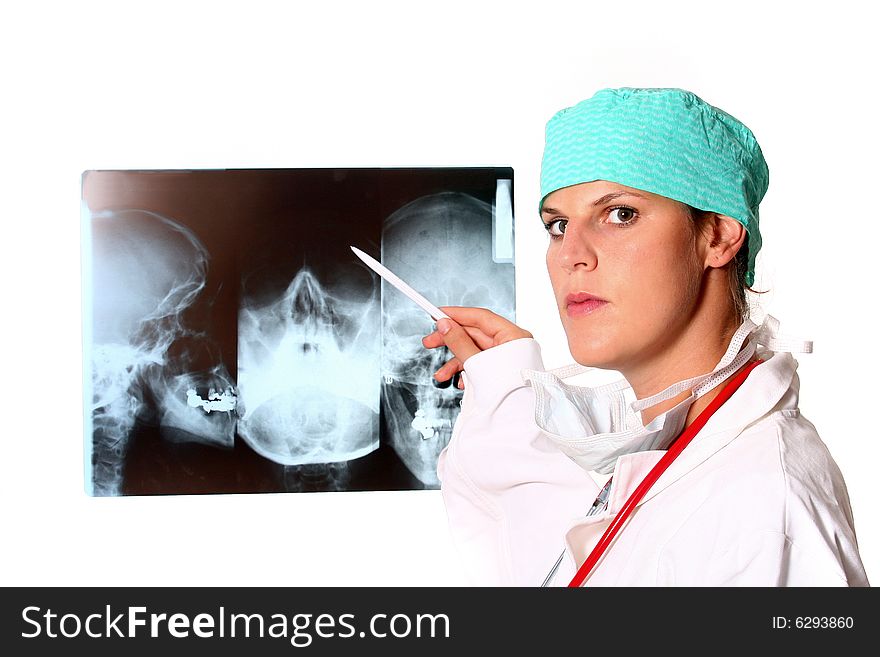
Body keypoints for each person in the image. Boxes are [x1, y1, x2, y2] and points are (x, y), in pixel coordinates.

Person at [421, 87, 869, 586]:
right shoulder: (690, 452)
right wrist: (506, 386)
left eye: (620, 214)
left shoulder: (766, 505)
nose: (572, 253)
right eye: (558, 224)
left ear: (718, 235)